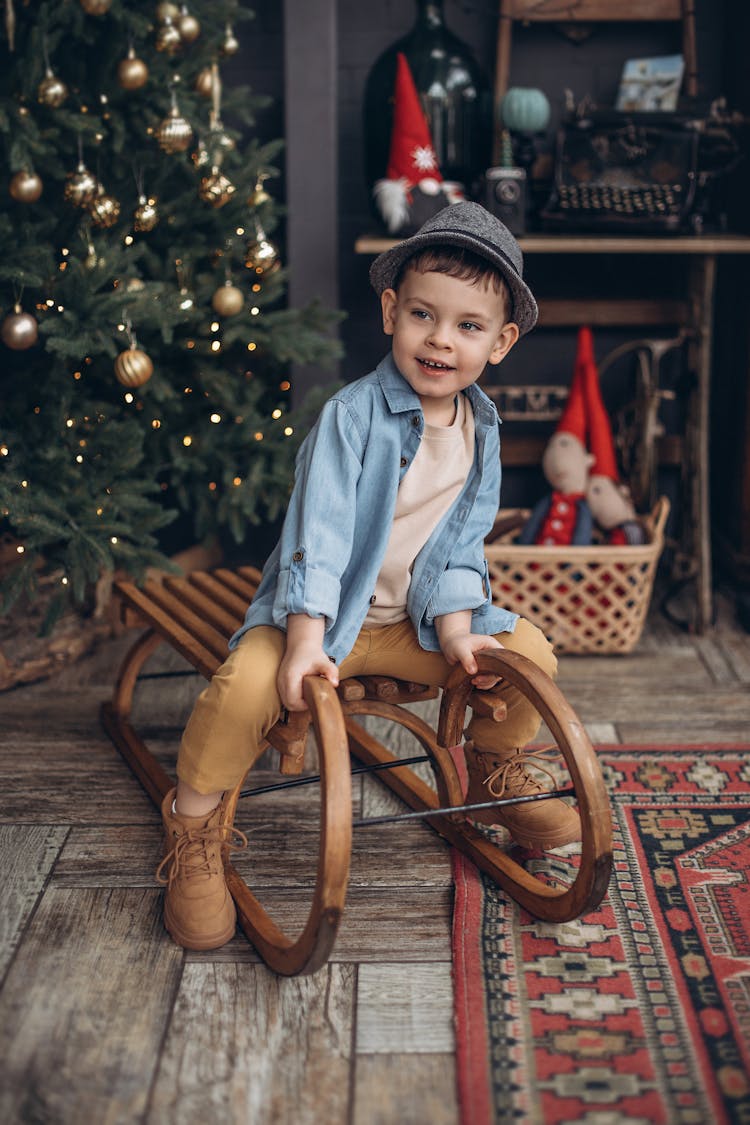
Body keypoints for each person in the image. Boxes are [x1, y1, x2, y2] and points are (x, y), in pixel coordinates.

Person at [156, 202, 581, 952]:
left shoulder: (482, 428)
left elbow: (460, 547)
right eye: (423, 314)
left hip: (409, 623)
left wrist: (459, 632)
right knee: (243, 687)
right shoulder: (351, 417)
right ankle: (193, 824)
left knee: (529, 652)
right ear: (391, 312)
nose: (441, 340)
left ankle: (493, 764)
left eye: (468, 326)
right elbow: (317, 537)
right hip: (320, 624)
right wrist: (303, 641)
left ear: (503, 341)